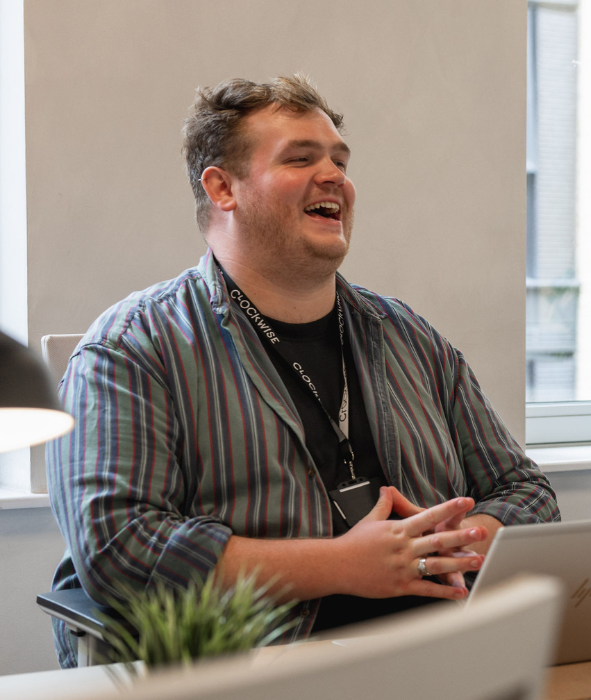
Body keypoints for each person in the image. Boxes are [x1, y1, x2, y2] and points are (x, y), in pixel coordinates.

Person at [46, 75, 559, 667]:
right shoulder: (131, 347)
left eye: (340, 160)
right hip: (253, 670)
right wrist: (345, 563)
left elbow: (527, 492)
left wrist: (454, 545)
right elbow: (119, 547)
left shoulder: (409, 336)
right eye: (301, 158)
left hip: (440, 656)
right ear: (222, 188)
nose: (335, 176)